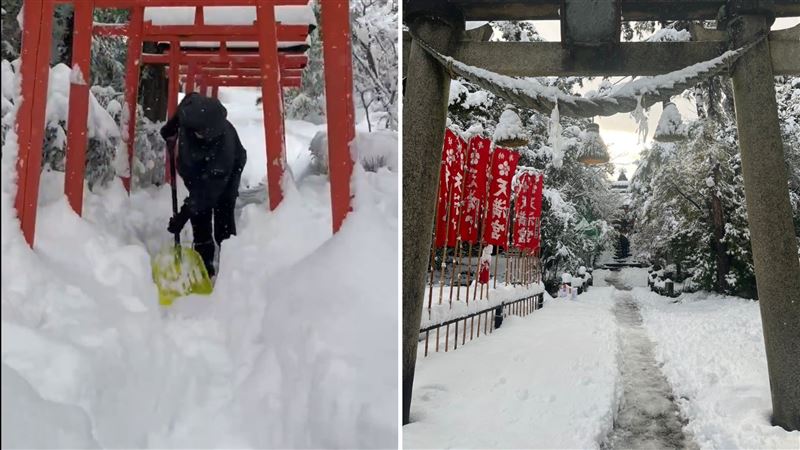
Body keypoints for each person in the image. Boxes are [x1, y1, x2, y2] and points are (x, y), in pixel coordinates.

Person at [160, 93, 247, 278]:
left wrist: (182, 215)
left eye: (199, 133)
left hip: (228, 171)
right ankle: (204, 264)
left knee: (222, 213)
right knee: (199, 218)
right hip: (195, 167)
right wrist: (172, 127)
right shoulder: (193, 112)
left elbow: (205, 194)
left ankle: (228, 264)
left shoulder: (224, 150)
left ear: (210, 134)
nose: (194, 133)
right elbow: (186, 102)